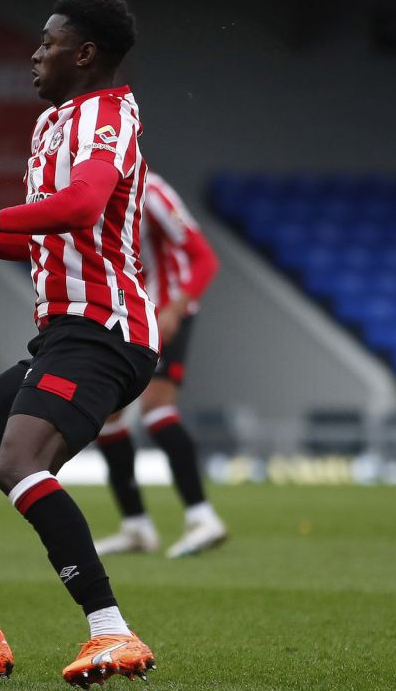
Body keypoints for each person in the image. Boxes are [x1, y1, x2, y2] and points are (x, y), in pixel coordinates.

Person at [0, 0, 159, 687]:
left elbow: (78, 209)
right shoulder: (56, 125)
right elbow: (50, 244)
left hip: (106, 331)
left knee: (18, 464)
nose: (35, 55)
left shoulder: (106, 117)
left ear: (85, 53)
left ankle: (113, 634)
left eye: (47, 43)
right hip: (63, 335)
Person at [92, 169, 227, 558]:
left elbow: (205, 259)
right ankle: (136, 526)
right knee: (109, 417)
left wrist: (174, 310)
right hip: (132, 312)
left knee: (156, 408)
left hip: (168, 310)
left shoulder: (153, 192)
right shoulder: (94, 190)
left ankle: (203, 516)